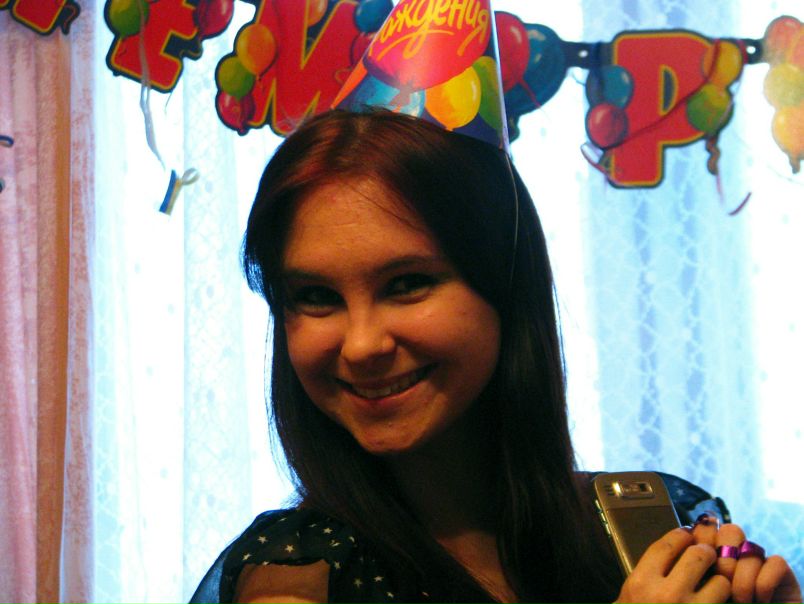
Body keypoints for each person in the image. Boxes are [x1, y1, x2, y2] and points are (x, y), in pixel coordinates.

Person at [189, 108, 801, 604]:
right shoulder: (298, 571)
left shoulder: (657, 522)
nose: (362, 344)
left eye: (406, 284)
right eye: (316, 297)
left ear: (506, 290)